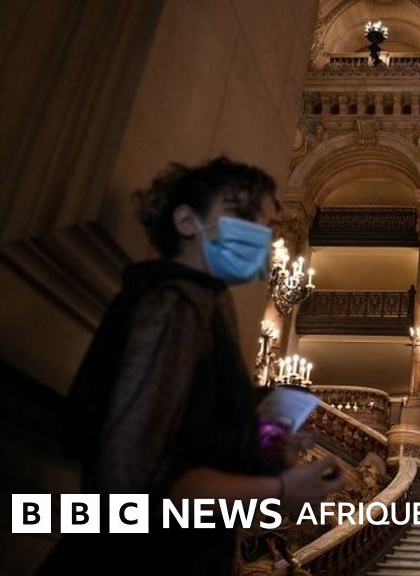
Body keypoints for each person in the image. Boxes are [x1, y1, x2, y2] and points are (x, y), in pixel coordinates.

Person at [40, 157, 344, 576]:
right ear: (186, 221)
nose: (258, 235)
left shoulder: (208, 302)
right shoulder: (174, 304)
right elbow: (130, 482)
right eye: (241, 215)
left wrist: (253, 448)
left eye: (267, 226)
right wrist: (279, 490)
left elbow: (188, 441)